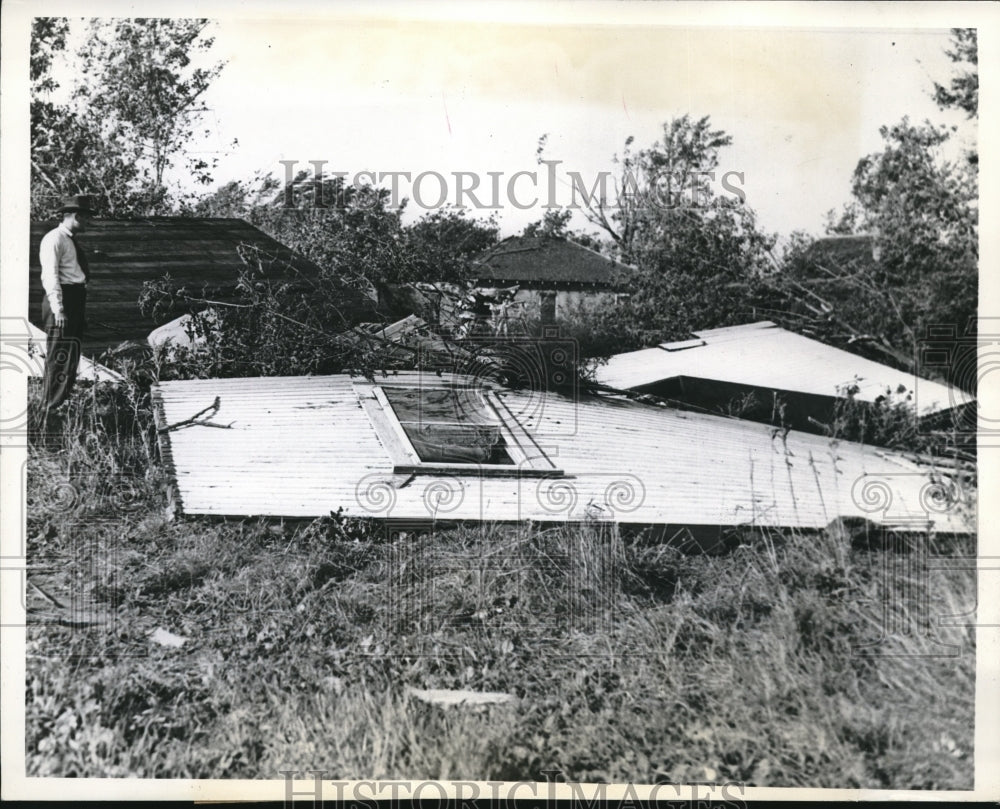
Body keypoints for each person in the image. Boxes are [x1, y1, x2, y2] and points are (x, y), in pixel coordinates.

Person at [39, 194, 96, 415]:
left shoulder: (69, 239)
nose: (89, 222)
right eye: (87, 218)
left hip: (74, 299)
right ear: (76, 216)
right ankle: (49, 408)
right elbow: (50, 277)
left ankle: (58, 403)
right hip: (62, 301)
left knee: (71, 354)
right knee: (59, 355)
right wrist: (59, 309)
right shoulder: (54, 239)